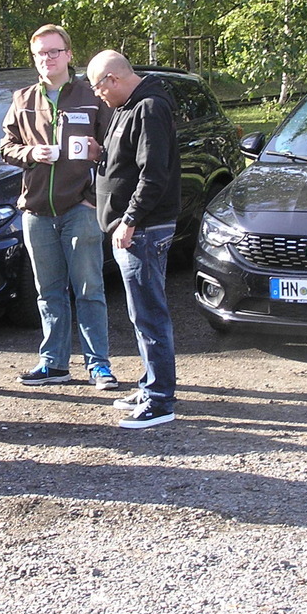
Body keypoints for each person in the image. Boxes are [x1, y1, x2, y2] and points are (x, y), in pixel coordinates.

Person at [0, 24, 118, 390]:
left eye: (54, 52)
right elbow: (6, 147)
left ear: (68, 54)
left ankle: (99, 365)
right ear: (34, 59)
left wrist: (93, 199)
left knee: (89, 290)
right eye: (40, 54)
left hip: (81, 208)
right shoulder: (22, 99)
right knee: (48, 292)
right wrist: (31, 153)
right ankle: (54, 364)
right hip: (36, 212)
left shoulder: (91, 96)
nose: (47, 59)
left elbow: (116, 152)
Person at [86, 50, 181, 429]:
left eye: (97, 86)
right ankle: (149, 385)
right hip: (131, 229)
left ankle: (161, 401)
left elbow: (154, 173)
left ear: (112, 78)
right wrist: (100, 156)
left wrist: (130, 220)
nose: (97, 95)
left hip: (143, 230)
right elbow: (125, 162)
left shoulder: (150, 108)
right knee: (140, 313)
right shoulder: (127, 107)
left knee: (150, 314)